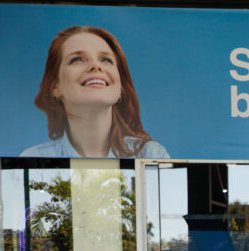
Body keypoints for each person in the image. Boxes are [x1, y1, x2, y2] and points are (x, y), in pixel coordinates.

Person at [22, 26, 168, 159]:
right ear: (55, 87)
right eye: (77, 59)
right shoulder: (34, 158)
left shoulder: (151, 155)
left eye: (106, 60)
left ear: (121, 86)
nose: (96, 66)